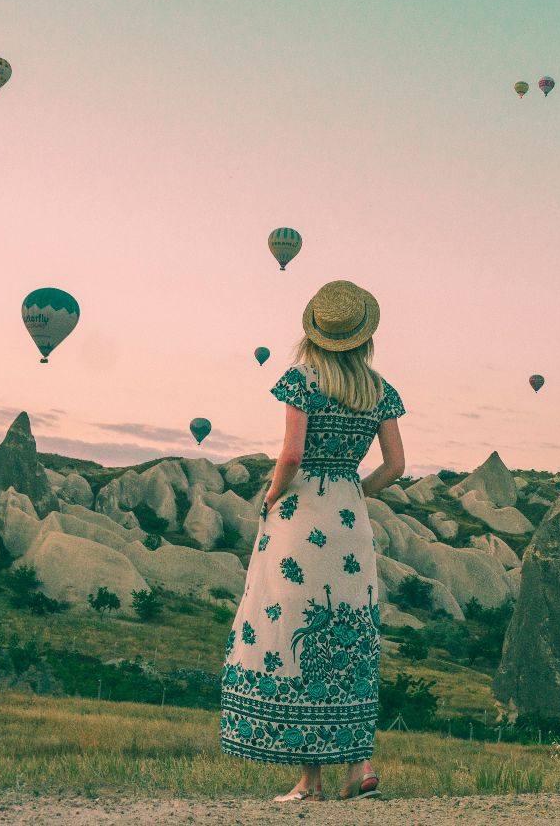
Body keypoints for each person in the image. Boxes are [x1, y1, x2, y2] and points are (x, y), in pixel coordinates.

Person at [219, 279, 408, 801]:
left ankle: (310, 781)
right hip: (350, 520)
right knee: (350, 633)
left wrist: (270, 496)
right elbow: (396, 465)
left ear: (314, 333)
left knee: (297, 630)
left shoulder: (301, 379)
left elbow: (291, 455)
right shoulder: (379, 389)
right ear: (361, 335)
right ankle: (359, 767)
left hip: (301, 518)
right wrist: (355, 490)